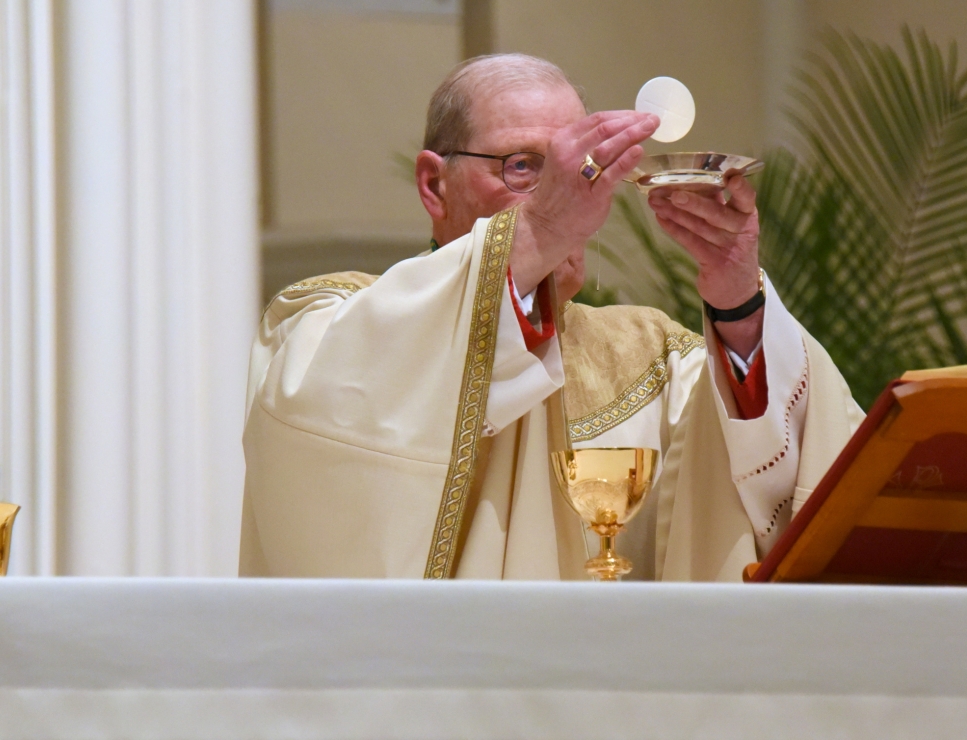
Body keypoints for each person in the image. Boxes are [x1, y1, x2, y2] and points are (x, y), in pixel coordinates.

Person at [239, 53, 864, 581]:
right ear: (435, 185)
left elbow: (785, 477)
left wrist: (737, 300)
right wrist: (540, 225)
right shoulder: (324, 319)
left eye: (577, 169)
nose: (571, 196)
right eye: (523, 167)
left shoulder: (651, 357)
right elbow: (317, 425)